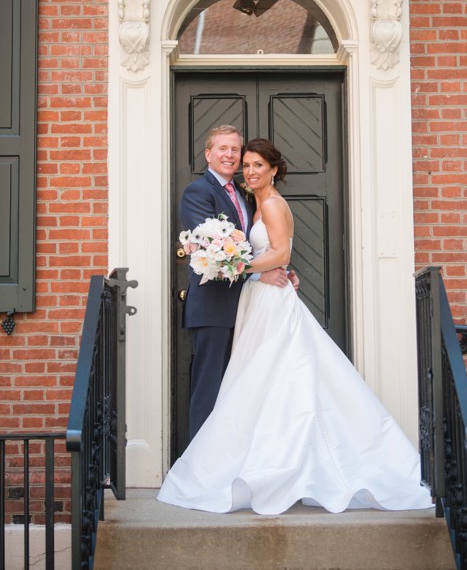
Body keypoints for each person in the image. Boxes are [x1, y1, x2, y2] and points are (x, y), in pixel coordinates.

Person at [159, 138, 432, 514]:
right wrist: (259, 270)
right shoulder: (232, 198)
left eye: (256, 163)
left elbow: (280, 252)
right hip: (245, 302)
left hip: (268, 303)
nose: (249, 170)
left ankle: (279, 468)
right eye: (246, 164)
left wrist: (249, 268)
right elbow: (255, 250)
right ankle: (228, 465)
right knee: (253, 383)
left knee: (278, 381)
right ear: (208, 154)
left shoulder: (269, 203)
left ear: (273, 169)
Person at [179, 125, 295, 440]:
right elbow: (215, 254)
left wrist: (282, 267)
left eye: (235, 150)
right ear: (208, 154)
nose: (230, 155)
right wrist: (259, 272)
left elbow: (262, 245)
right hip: (213, 309)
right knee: (209, 390)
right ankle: (199, 471)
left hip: (249, 310)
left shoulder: (246, 195)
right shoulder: (198, 193)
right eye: (223, 149)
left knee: (241, 392)